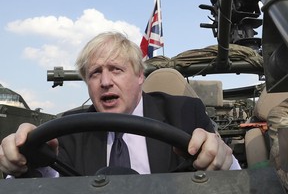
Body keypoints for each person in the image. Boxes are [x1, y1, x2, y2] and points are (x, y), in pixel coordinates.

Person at [0, 31, 240, 177]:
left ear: (139, 77)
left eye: (116, 69)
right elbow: (44, 182)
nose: (105, 81)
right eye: (95, 73)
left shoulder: (185, 114)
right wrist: (26, 160)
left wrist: (219, 157)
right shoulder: (65, 131)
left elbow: (228, 174)